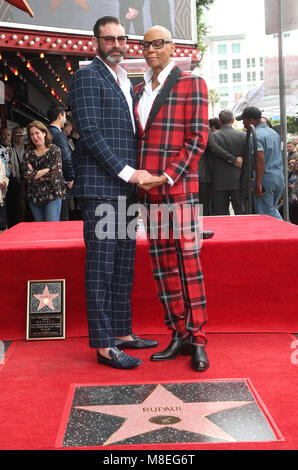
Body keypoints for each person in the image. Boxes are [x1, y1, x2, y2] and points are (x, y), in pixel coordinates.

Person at [69, 16, 158, 370]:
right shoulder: (87, 76)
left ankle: (122, 332)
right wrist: (129, 172)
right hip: (102, 188)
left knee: (123, 266)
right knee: (101, 268)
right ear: (96, 42)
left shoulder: (126, 81)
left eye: (121, 38)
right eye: (109, 39)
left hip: (125, 189)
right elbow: (89, 133)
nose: (116, 44)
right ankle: (105, 345)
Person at [135, 25, 209, 371]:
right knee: (162, 266)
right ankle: (176, 332)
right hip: (148, 192)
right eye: (146, 44)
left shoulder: (190, 82)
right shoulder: (137, 89)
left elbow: (197, 137)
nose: (151, 50)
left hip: (178, 188)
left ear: (172, 46)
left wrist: (165, 176)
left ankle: (198, 339)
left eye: (158, 43)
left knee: (189, 264)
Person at [236, 106, 284, 220]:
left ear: (251, 120)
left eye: (244, 119)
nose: (243, 123)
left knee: (266, 214)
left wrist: (257, 183)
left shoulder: (255, 135)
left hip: (265, 178)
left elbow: (260, 159)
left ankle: (288, 233)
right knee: (271, 209)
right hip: (278, 177)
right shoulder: (272, 132)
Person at [22, 121, 64, 222]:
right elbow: (27, 176)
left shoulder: (55, 150)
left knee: (51, 228)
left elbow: (55, 175)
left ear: (44, 133)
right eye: (32, 134)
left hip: (52, 195)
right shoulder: (28, 154)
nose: (34, 137)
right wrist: (46, 170)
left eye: (37, 133)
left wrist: (34, 174)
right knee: (40, 231)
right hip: (34, 197)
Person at [211, 109, 246, 216]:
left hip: (219, 180)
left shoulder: (213, 137)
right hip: (239, 180)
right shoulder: (243, 136)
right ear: (233, 120)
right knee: (241, 212)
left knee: (220, 214)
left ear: (219, 121)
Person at [47, 104, 74, 221]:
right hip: (60, 181)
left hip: (45, 181)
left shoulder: (45, 133)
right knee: (62, 216)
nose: (65, 119)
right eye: (64, 116)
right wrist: (70, 178)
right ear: (59, 116)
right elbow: (66, 158)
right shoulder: (59, 135)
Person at [5, 126, 26, 227]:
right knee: (18, 208)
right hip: (16, 184)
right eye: (17, 135)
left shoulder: (28, 148)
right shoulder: (9, 149)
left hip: (29, 183)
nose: (19, 137)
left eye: (21, 135)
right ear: (12, 136)